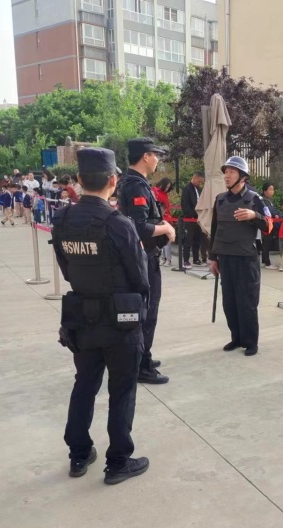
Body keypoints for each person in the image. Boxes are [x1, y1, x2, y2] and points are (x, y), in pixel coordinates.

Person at [51, 147, 151, 485]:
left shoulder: (62, 219)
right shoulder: (119, 224)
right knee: (122, 390)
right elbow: (140, 277)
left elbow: (67, 269)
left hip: (82, 317)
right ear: (113, 181)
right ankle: (118, 461)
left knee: (85, 385)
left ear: (79, 179)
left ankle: (79, 454)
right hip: (120, 321)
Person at [118, 137, 175, 385]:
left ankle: (143, 355)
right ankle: (141, 365)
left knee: (145, 311)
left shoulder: (132, 182)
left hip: (141, 257)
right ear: (145, 157)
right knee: (147, 313)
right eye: (155, 155)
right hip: (143, 259)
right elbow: (139, 227)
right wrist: (166, 229)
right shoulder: (136, 186)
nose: (158, 160)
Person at [208, 157, 273, 356]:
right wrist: (213, 257)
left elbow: (269, 226)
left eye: (232, 172)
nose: (227, 176)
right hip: (226, 258)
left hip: (246, 259)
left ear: (243, 177)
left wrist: (255, 216)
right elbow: (215, 229)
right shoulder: (219, 199)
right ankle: (236, 338)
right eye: (226, 172)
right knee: (229, 302)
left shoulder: (254, 199)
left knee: (247, 302)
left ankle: (250, 342)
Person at [180, 171, 204, 269]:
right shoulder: (187, 189)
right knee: (188, 240)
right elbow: (184, 204)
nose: (200, 183)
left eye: (201, 182)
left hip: (199, 218)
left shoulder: (199, 189)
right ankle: (186, 260)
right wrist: (191, 214)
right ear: (194, 178)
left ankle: (196, 259)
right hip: (190, 218)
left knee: (197, 239)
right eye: (199, 181)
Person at [153, 177, 174, 267]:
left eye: (168, 187)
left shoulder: (163, 193)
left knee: (166, 239)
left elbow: (167, 207)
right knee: (161, 239)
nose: (167, 189)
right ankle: (164, 258)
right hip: (160, 217)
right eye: (167, 186)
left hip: (165, 217)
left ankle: (167, 258)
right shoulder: (155, 191)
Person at [260, 182, 279, 269]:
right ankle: (267, 262)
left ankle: (265, 261)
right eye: (270, 190)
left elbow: (274, 210)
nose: (272, 192)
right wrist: (275, 214)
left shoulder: (269, 200)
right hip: (266, 224)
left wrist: (276, 214)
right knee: (266, 242)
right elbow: (269, 211)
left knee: (267, 242)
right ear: (265, 191)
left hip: (269, 223)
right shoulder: (263, 200)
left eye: (273, 190)